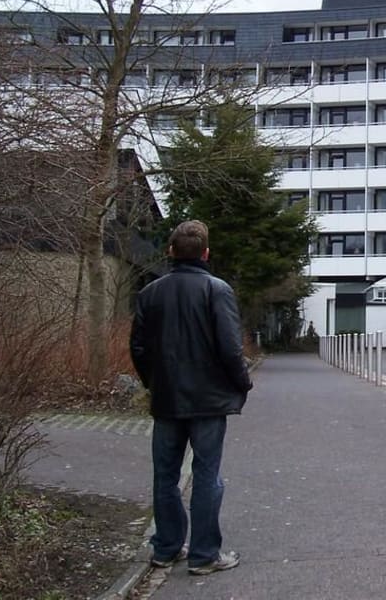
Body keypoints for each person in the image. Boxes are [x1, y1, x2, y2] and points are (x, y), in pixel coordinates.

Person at [130, 220, 252, 575]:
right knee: (207, 475)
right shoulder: (217, 290)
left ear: (170, 251)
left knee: (165, 476)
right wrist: (241, 383)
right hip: (209, 401)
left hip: (167, 398)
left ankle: (166, 548)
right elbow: (230, 348)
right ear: (206, 253)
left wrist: (153, 382)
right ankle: (203, 555)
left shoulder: (150, 293)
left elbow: (138, 347)